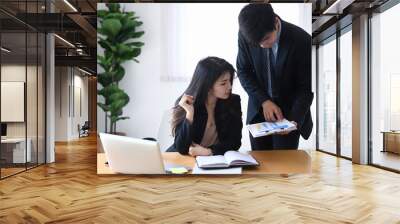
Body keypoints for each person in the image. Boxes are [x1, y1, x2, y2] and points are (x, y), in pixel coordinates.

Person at [236, 3, 313, 150]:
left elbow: (305, 88)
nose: (262, 46)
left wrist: (294, 120)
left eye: (266, 39)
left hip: (290, 113)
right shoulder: (245, 35)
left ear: (276, 23)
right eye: (257, 43)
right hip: (259, 110)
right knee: (260, 165)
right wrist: (264, 101)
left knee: (283, 166)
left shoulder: (301, 40)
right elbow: (243, 71)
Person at [167, 56, 243, 156]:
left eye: (230, 81)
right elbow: (181, 148)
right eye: (223, 83)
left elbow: (235, 142)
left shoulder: (233, 102)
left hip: (213, 160)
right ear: (208, 85)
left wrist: (209, 152)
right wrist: (189, 114)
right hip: (183, 160)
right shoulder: (187, 102)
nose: (229, 87)